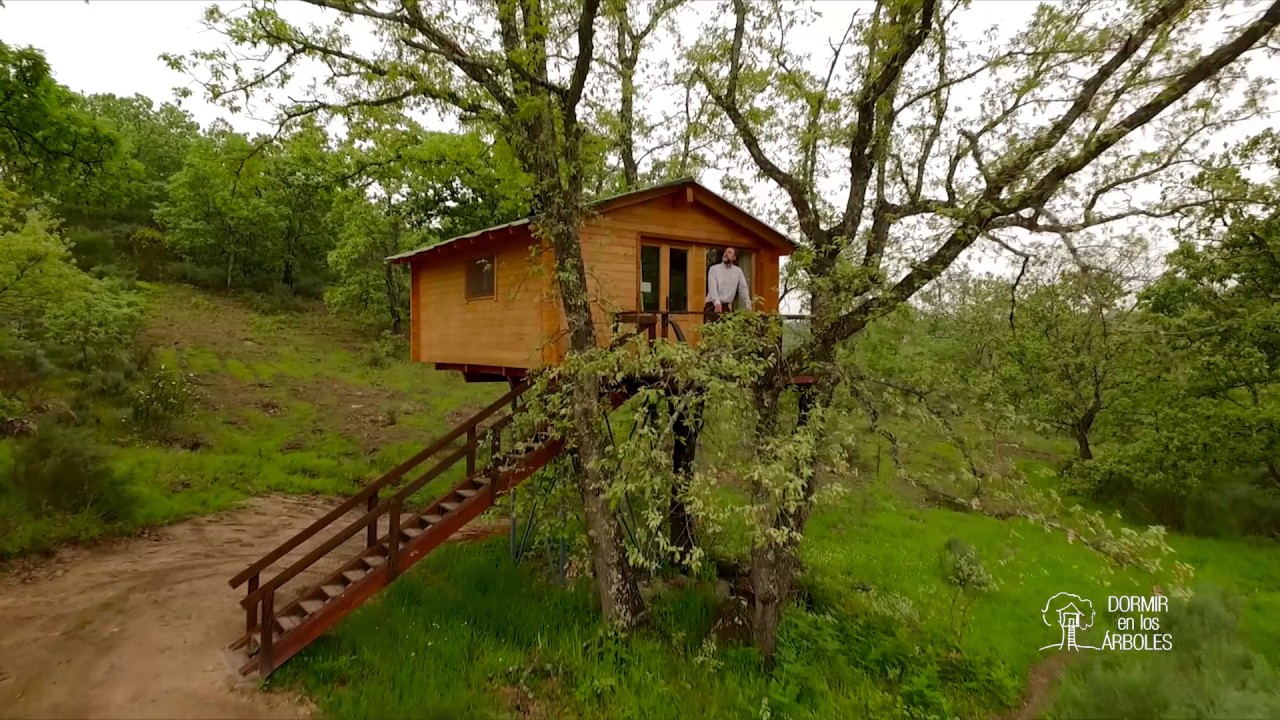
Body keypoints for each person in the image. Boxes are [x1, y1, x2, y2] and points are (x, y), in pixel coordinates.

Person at [703, 247, 751, 323]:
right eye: (725, 252)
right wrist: (716, 302)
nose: (726, 254)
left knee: (726, 332)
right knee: (710, 331)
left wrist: (748, 304)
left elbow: (743, 288)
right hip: (712, 305)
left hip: (725, 306)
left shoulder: (738, 271)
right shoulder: (714, 269)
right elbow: (712, 287)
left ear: (734, 257)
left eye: (729, 252)